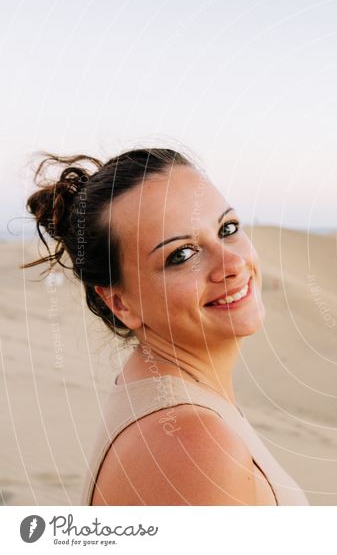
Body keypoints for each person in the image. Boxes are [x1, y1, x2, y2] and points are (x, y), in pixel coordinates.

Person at [21, 148, 309, 506]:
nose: (233, 262)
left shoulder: (174, 409)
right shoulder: (190, 444)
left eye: (227, 228)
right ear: (121, 303)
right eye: (181, 255)